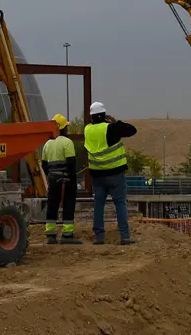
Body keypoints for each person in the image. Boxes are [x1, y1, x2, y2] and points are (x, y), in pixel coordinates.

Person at [82, 101, 136, 245]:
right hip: (115, 175)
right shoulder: (111, 128)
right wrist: (115, 121)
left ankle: (99, 237)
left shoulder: (87, 130)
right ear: (104, 115)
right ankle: (125, 236)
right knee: (120, 203)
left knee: (99, 204)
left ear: (92, 117)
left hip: (97, 175)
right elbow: (132, 130)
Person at [41, 114, 81, 245]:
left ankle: (51, 235)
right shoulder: (67, 143)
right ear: (62, 128)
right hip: (66, 181)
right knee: (68, 206)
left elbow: (44, 165)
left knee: (52, 205)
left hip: (52, 181)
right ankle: (67, 235)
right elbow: (71, 163)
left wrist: (51, 176)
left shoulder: (47, 144)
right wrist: (73, 180)